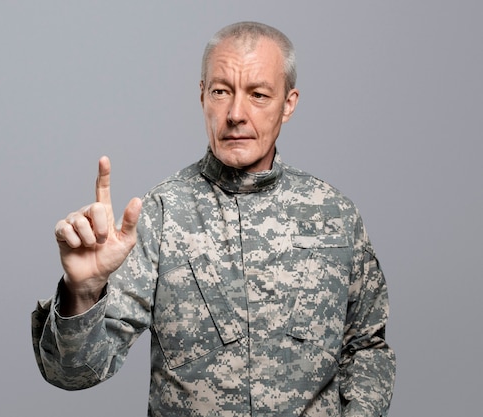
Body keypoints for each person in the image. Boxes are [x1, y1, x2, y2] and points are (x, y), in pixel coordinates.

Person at [32, 21, 396, 416]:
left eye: (258, 94)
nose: (236, 114)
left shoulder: (334, 214)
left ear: (288, 104)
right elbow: (73, 372)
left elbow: (366, 346)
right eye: (221, 91)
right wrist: (82, 292)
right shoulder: (161, 214)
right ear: (202, 95)